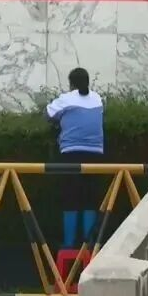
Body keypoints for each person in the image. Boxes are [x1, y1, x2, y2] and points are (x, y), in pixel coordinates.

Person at [45, 67, 104, 249]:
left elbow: (48, 115)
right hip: (96, 153)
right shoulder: (97, 98)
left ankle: (69, 244)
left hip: (71, 152)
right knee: (89, 198)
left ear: (71, 84)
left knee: (70, 198)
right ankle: (88, 243)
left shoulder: (66, 99)